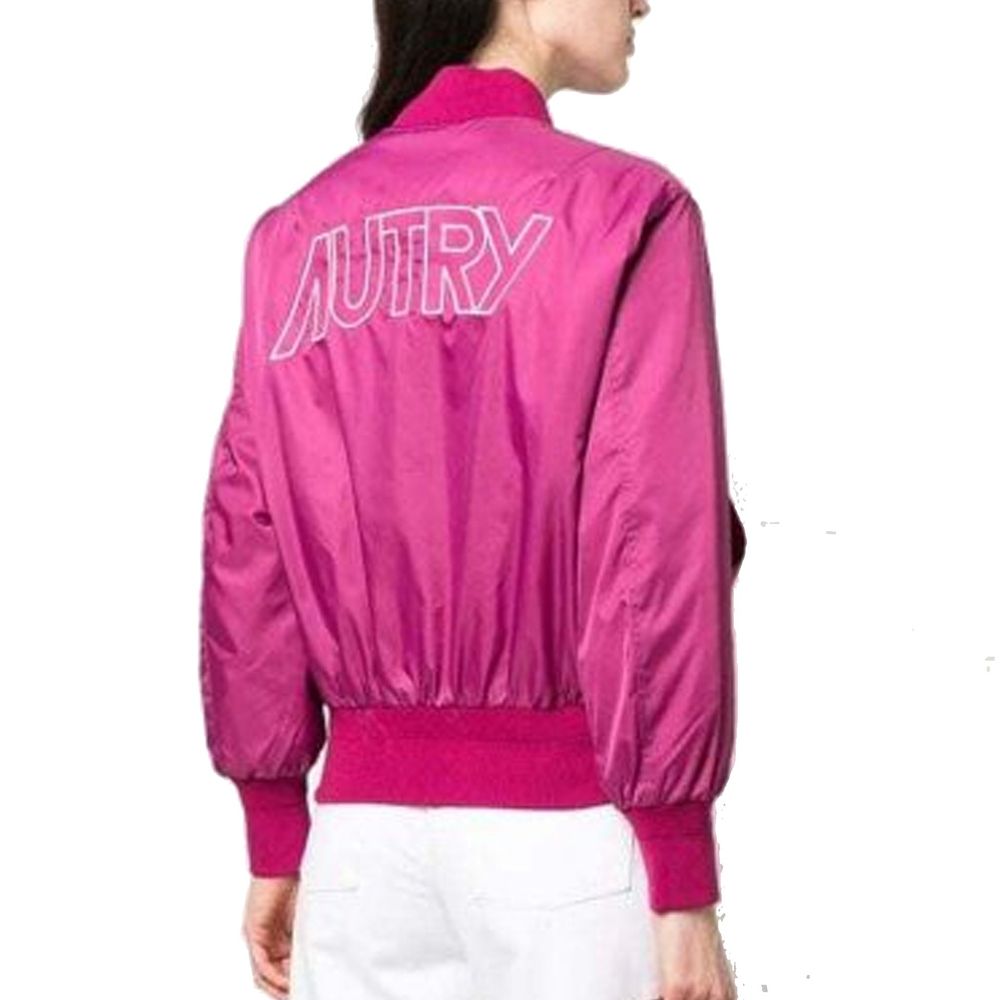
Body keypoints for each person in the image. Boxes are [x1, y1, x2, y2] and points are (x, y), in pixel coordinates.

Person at [198, 0, 748, 998]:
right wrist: (680, 869)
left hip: (358, 854)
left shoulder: (293, 236)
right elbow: (649, 540)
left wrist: (276, 828)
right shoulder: (625, 209)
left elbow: (249, 544)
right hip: (568, 847)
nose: (643, 1)